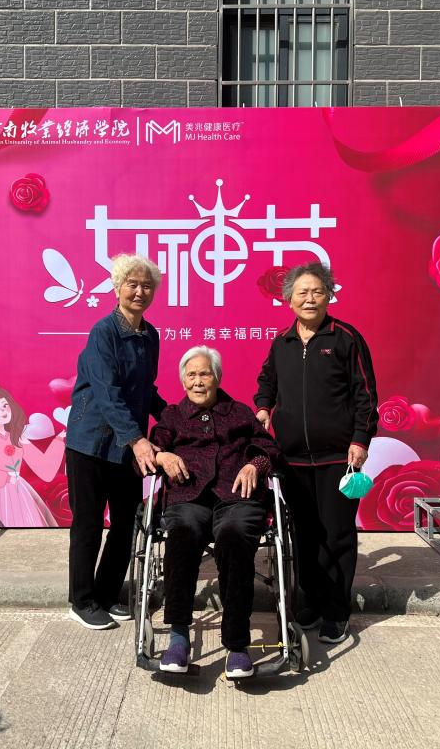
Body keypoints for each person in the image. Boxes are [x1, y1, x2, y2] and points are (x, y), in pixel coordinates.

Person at [254, 262, 378, 644]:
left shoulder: (346, 338)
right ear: (288, 300)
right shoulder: (282, 342)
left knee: (337, 535)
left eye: (317, 291)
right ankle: (308, 602)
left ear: (329, 296)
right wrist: (263, 407)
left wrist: (360, 440)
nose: (309, 299)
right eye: (302, 293)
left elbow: (365, 395)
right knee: (303, 535)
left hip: (338, 457)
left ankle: (336, 612)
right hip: (291, 459)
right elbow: (267, 382)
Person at [151, 346, 282, 679]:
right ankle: (178, 637)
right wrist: (163, 457)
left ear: (217, 378)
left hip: (237, 496)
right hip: (188, 497)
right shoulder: (172, 416)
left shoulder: (238, 412)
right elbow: (151, 452)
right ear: (183, 380)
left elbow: (269, 448)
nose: (198, 381)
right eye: (191, 375)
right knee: (183, 532)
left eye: (205, 374)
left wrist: (255, 464)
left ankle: (237, 646)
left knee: (235, 535)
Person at [66, 254, 166, 630]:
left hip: (125, 446)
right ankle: (81, 600)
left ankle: (107, 593)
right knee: (89, 524)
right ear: (117, 287)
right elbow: (108, 393)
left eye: (146, 286)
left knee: (126, 523)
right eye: (132, 284)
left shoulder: (150, 336)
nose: (139, 292)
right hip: (90, 444)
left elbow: (145, 390)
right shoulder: (103, 333)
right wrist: (138, 440)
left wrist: (175, 418)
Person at [0, 378, 64, 527]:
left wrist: (59, 440)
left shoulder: (18, 437)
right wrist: (6, 477)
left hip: (20, 490)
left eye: (4, 406)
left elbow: (44, 468)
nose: (2, 412)